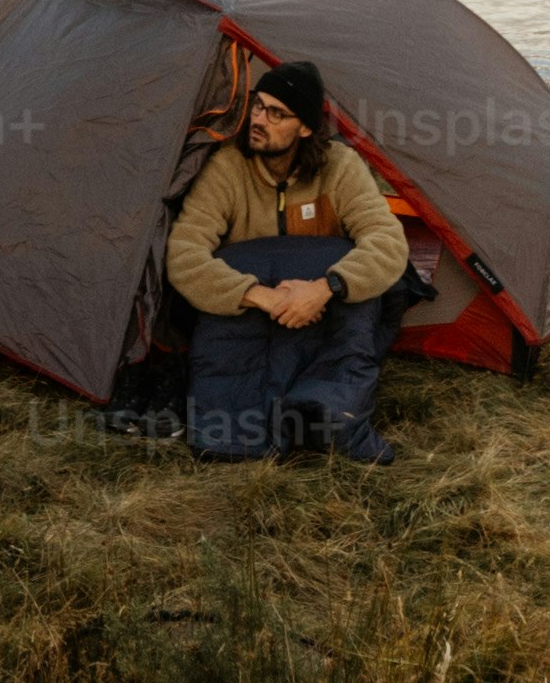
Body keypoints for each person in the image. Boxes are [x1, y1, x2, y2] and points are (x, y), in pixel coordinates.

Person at [162, 57, 409, 465]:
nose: (259, 120)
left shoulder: (340, 168)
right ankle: (238, 434)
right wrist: (259, 295)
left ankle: (324, 415)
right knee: (224, 428)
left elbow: (387, 242)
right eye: (258, 106)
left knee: (367, 289)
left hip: (321, 313)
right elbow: (184, 256)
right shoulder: (227, 168)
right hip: (251, 313)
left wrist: (323, 289)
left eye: (277, 114)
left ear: (306, 127)